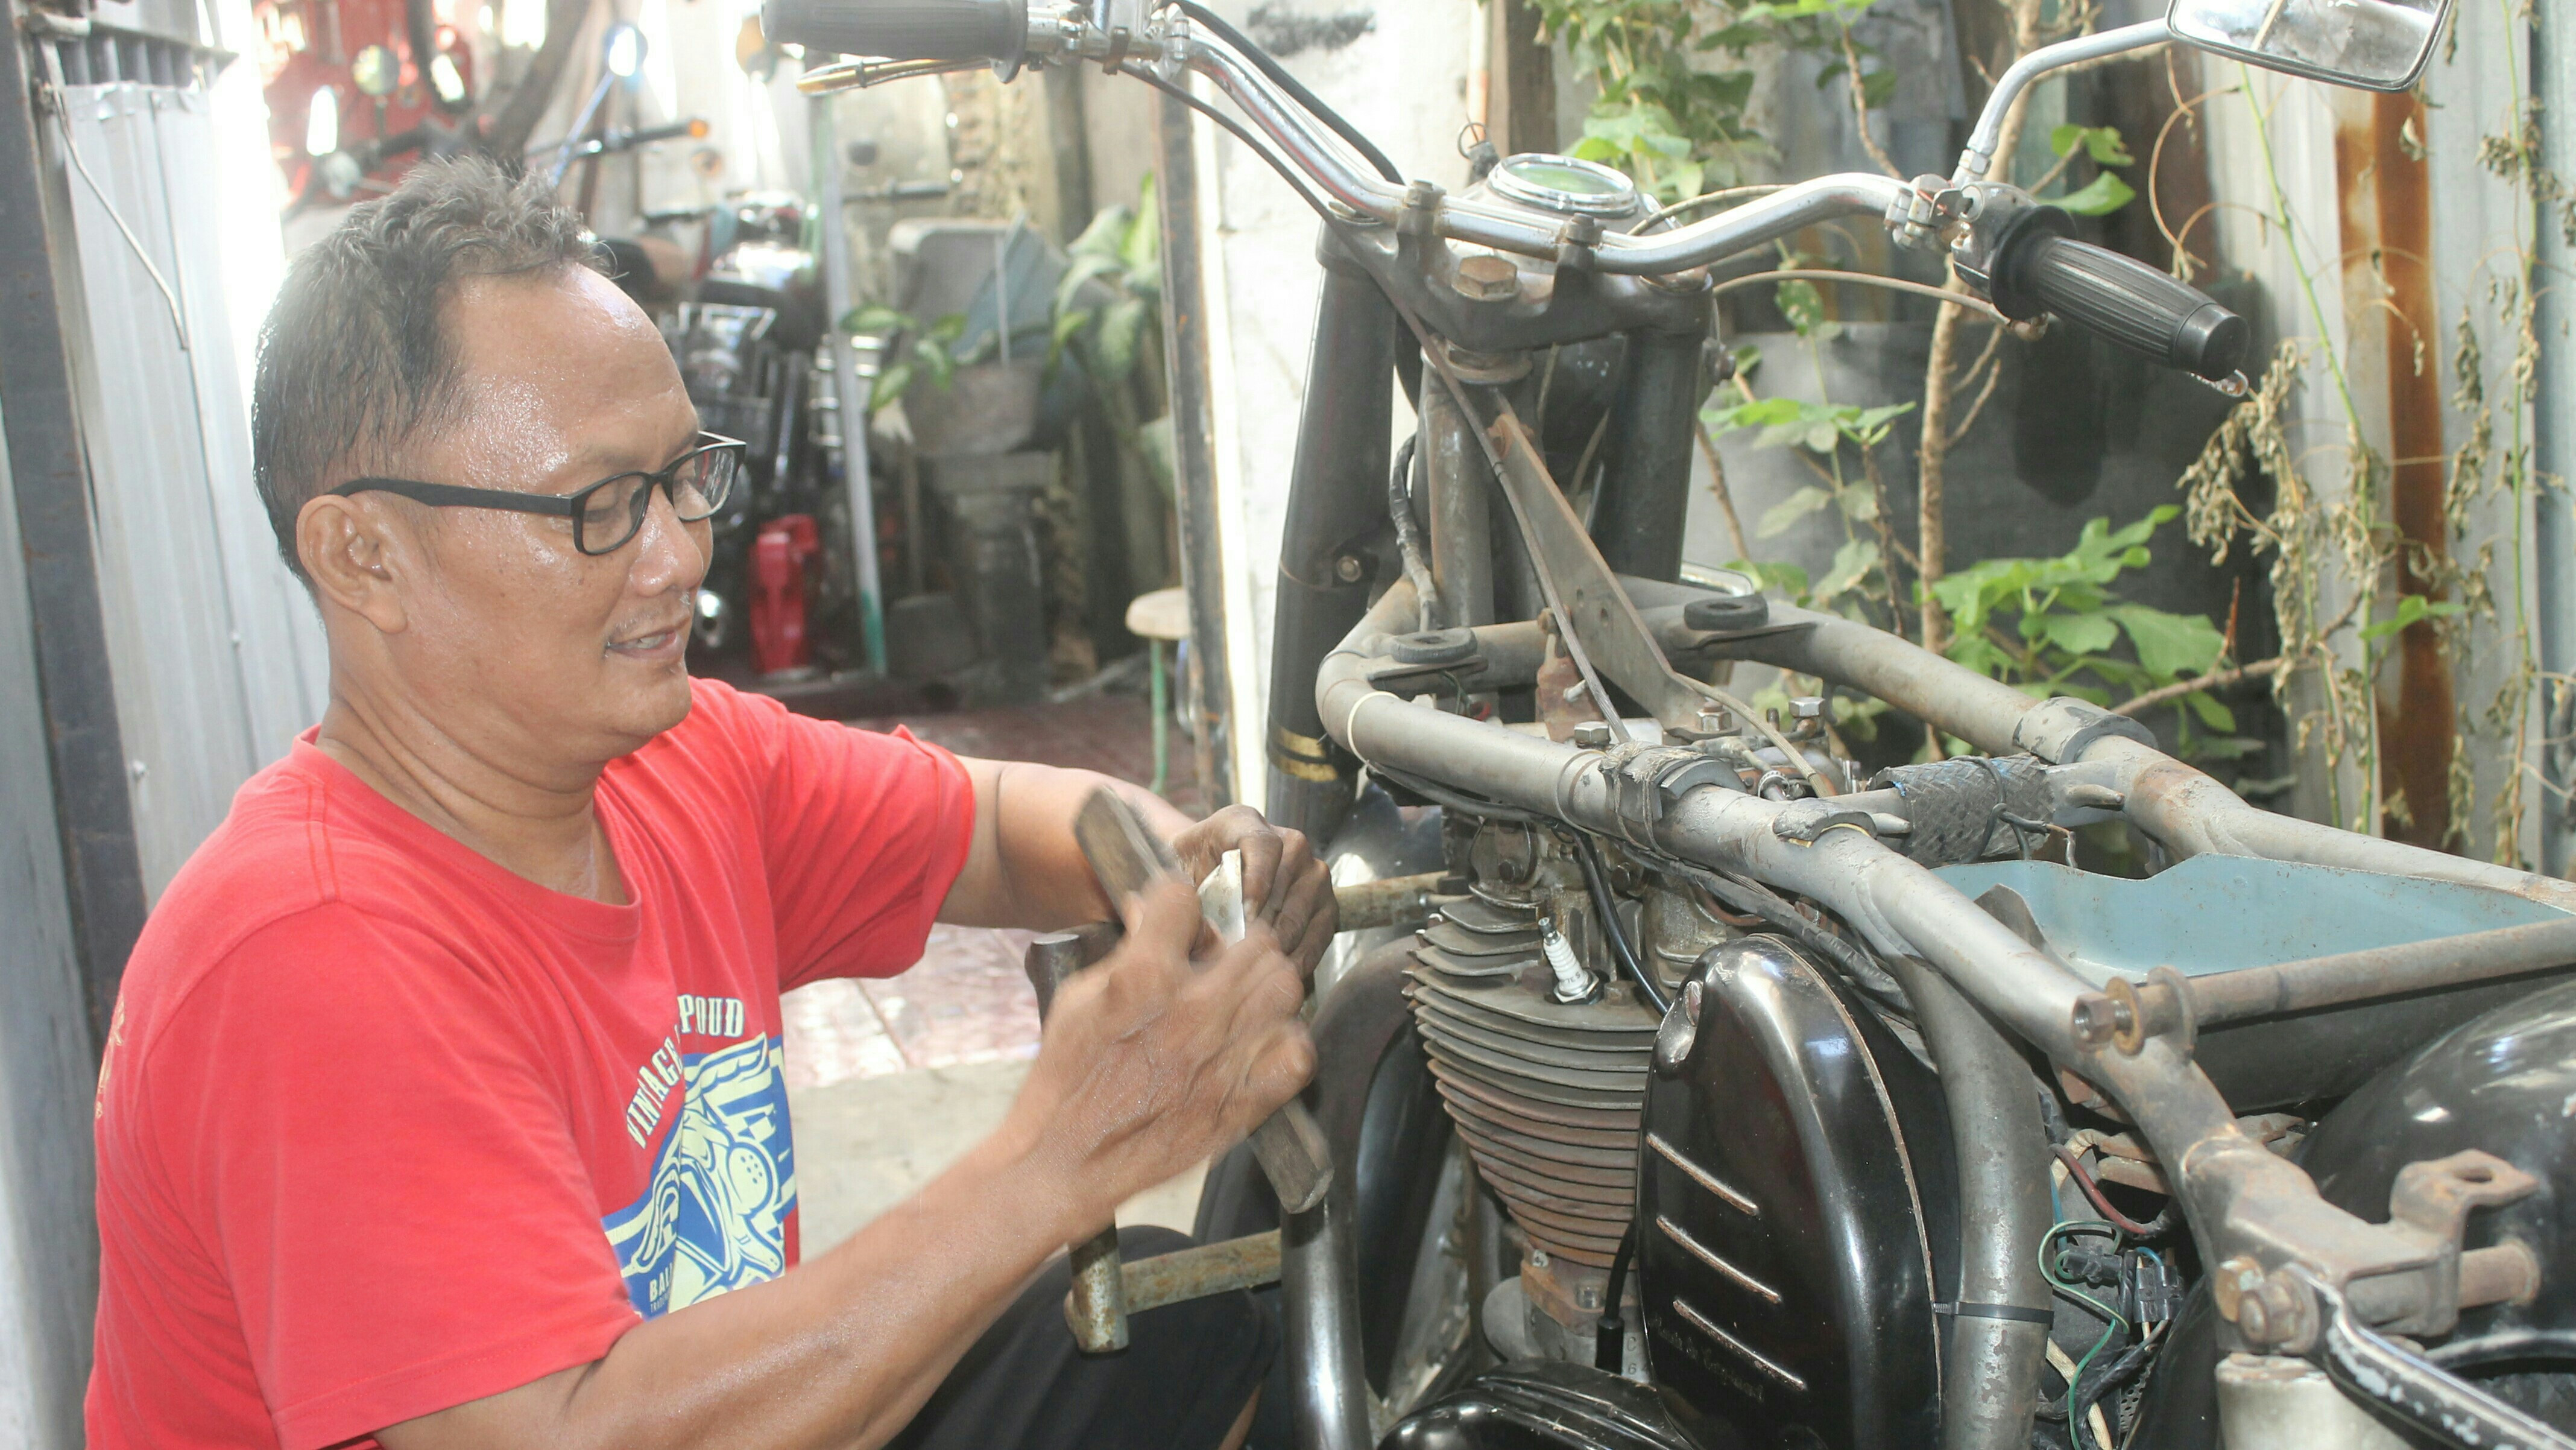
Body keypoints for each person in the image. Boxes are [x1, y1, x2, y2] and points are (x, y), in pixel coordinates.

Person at [85, 155, 1333, 1450]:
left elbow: (999, 816)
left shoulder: (669, 765)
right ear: (364, 555)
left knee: (1178, 1336)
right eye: (602, 506)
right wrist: (1051, 1155)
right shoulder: (307, 954)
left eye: (685, 478)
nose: (681, 555)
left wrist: (1180, 866)